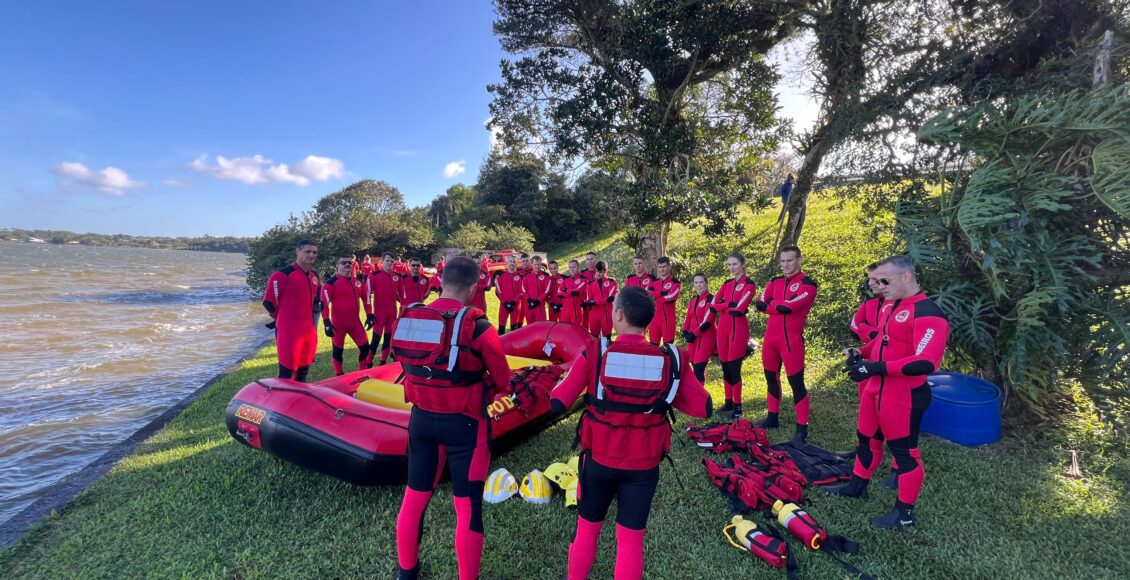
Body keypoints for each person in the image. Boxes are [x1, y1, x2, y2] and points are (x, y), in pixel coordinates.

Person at [550, 286, 712, 580]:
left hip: (598, 463)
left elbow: (558, 400)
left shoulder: (596, 352)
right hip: (644, 467)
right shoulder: (671, 360)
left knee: (587, 530)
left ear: (619, 315)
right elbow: (704, 406)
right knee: (631, 540)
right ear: (649, 321)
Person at [393, 256, 515, 580]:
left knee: (415, 497)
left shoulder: (411, 317)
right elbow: (504, 381)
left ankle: (406, 572)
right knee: (467, 505)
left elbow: (405, 362)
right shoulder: (480, 328)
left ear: (440, 280)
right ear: (476, 287)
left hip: (420, 421)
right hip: (466, 426)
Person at [825, 255, 950, 530]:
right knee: (866, 439)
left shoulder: (928, 313)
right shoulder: (890, 306)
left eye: (884, 280)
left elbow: (924, 361)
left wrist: (875, 367)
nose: (878, 286)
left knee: (905, 454)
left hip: (903, 395)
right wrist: (861, 352)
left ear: (906, 276)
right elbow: (881, 341)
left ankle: (904, 513)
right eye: (874, 281)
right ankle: (857, 487)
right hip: (875, 390)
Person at [754, 246, 818, 443]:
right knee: (770, 378)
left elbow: (788, 307)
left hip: (791, 342)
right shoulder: (774, 281)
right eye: (782, 261)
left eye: (789, 261)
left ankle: (802, 428)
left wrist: (773, 304)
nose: (785, 265)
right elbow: (760, 303)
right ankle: (772, 417)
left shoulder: (808, 284)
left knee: (796, 384)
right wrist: (776, 305)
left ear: (799, 260)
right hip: (771, 340)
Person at [850, 263, 898, 488]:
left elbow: (885, 334)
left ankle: (898, 468)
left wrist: (869, 332)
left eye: (876, 280)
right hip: (869, 364)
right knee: (867, 412)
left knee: (895, 420)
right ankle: (865, 453)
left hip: (894, 372)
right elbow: (854, 325)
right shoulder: (869, 304)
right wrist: (873, 334)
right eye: (870, 280)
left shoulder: (900, 306)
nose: (871, 284)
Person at [262, 240, 322, 382]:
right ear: (298, 251)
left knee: (303, 371)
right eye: (307, 251)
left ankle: (298, 402)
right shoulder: (282, 274)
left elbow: (314, 300)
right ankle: (281, 403)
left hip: (308, 330)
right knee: (287, 372)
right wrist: (280, 317)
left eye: (314, 252)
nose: (311, 255)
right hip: (289, 330)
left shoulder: (314, 276)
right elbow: (269, 302)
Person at [710, 252, 757, 419]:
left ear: (742, 264)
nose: (731, 268)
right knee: (724, 367)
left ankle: (738, 408)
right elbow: (713, 305)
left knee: (734, 368)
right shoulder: (727, 283)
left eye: (734, 264)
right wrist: (727, 305)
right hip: (723, 327)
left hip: (738, 328)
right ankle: (728, 402)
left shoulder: (749, 285)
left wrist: (725, 306)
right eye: (729, 265)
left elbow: (739, 308)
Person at [320, 255, 374, 376]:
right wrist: (326, 322)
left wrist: (370, 315)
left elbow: (367, 300)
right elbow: (324, 303)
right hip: (338, 325)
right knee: (338, 352)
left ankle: (362, 372)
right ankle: (339, 374)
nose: (347, 265)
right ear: (337, 266)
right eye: (343, 263)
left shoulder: (359, 282)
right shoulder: (330, 283)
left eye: (350, 263)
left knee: (365, 348)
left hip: (355, 323)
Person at [681, 273, 716, 383]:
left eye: (701, 282)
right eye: (696, 282)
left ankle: (700, 396)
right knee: (695, 366)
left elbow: (707, 321)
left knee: (699, 368)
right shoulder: (693, 300)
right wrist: (685, 332)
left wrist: (693, 334)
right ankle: (700, 391)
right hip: (692, 339)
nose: (698, 285)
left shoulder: (712, 299)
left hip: (706, 336)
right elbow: (688, 318)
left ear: (706, 283)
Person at [366, 252, 399, 366]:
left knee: (388, 339)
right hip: (379, 314)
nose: (390, 263)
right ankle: (369, 363)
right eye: (387, 260)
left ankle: (382, 362)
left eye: (392, 261)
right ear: (382, 261)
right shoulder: (374, 275)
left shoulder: (396, 276)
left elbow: (401, 295)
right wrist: (369, 313)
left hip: (392, 313)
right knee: (376, 340)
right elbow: (367, 294)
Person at [646, 257, 681, 346]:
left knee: (668, 349)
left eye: (664, 266)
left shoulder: (675, 283)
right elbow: (647, 294)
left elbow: (672, 297)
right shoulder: (654, 282)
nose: (662, 269)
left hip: (668, 321)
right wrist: (662, 293)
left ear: (669, 267)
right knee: (653, 348)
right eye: (660, 267)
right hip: (654, 321)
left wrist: (656, 296)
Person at [585, 260, 618, 341]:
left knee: (607, 339)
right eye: (596, 271)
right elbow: (589, 299)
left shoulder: (612, 281)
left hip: (606, 314)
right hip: (594, 314)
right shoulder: (590, 284)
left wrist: (596, 302)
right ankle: (596, 353)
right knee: (594, 338)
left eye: (600, 271)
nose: (597, 274)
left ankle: (607, 353)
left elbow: (610, 298)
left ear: (605, 271)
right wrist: (587, 303)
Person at [493, 255, 525, 334]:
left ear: (516, 263)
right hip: (504, 305)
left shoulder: (520, 277)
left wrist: (514, 301)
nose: (512, 263)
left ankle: (514, 345)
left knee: (514, 328)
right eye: (510, 261)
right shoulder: (501, 276)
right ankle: (500, 344)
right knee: (501, 327)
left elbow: (522, 291)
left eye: (514, 262)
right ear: (507, 263)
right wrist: (505, 302)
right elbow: (498, 291)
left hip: (516, 305)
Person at [557, 259, 588, 326]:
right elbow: (559, 292)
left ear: (578, 267)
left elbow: (577, 291)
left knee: (575, 332)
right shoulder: (566, 279)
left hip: (576, 310)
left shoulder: (583, 279)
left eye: (574, 267)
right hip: (565, 310)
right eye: (570, 267)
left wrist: (566, 290)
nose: (572, 269)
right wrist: (571, 292)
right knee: (564, 331)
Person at [523, 255, 552, 324]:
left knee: (542, 326)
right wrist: (529, 300)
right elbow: (523, 290)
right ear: (531, 264)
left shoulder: (545, 275)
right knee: (530, 327)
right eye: (535, 264)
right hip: (529, 306)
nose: (537, 266)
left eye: (539, 264)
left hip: (540, 306)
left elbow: (547, 290)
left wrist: (538, 300)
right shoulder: (526, 276)